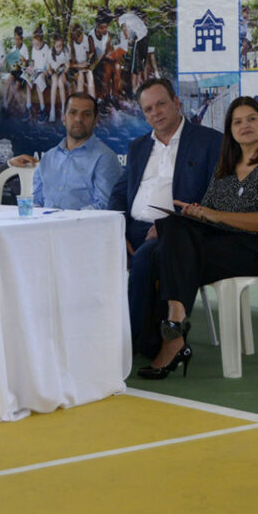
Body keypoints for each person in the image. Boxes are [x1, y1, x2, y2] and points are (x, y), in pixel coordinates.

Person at [137, 96, 258, 378]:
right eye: (237, 122)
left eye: (251, 119)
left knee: (168, 252)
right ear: (230, 130)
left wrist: (214, 216)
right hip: (216, 247)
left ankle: (170, 338)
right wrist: (197, 213)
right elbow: (208, 215)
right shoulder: (224, 168)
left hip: (255, 251)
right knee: (173, 228)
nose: (244, 125)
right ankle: (174, 321)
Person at [108, 79, 222, 351]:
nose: (155, 113)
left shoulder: (208, 142)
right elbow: (119, 193)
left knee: (147, 257)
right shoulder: (138, 147)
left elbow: (215, 195)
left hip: (181, 229)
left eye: (161, 104)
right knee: (88, 249)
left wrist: (171, 225)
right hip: (135, 226)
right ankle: (92, 335)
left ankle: (137, 343)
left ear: (176, 102)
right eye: (148, 109)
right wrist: (114, 230)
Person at [32, 93, 123, 210]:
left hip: (82, 226)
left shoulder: (105, 158)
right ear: (64, 118)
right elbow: (35, 201)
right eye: (73, 112)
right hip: (44, 225)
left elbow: (103, 207)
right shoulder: (48, 157)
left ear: (95, 121)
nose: (79, 119)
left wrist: (64, 221)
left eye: (87, 114)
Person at [46, 31, 69, 123]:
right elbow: (48, 67)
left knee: (60, 83)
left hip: (63, 72)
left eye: (61, 46)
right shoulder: (50, 52)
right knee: (55, 82)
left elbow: (68, 65)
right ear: (54, 45)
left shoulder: (65, 50)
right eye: (57, 46)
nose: (59, 48)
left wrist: (64, 72)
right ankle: (52, 109)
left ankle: (63, 108)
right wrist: (52, 73)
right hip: (54, 72)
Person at [68, 23, 95, 99]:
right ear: (76, 38)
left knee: (90, 76)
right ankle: (80, 101)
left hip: (85, 67)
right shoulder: (70, 45)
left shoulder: (86, 39)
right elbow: (69, 64)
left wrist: (89, 56)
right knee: (80, 78)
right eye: (81, 37)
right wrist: (79, 65)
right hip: (76, 68)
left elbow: (88, 53)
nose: (83, 37)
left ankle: (93, 101)